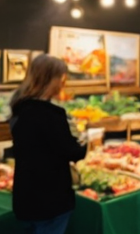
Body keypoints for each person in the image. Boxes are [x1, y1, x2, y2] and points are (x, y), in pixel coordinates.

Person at [10, 55, 90, 234]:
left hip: (24, 197)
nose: (63, 83)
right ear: (51, 79)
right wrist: (89, 143)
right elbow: (72, 152)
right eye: (62, 77)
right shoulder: (52, 115)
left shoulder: (19, 108)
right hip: (51, 200)